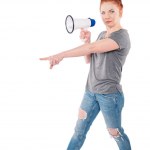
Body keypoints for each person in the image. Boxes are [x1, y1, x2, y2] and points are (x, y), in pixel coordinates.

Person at [40, 0, 131, 149]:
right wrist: (87, 40)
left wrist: (62, 54)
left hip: (110, 96)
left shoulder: (122, 37)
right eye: (103, 12)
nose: (106, 16)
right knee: (78, 132)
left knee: (115, 132)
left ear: (120, 11)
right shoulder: (102, 34)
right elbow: (89, 59)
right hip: (90, 93)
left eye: (111, 11)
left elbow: (93, 47)